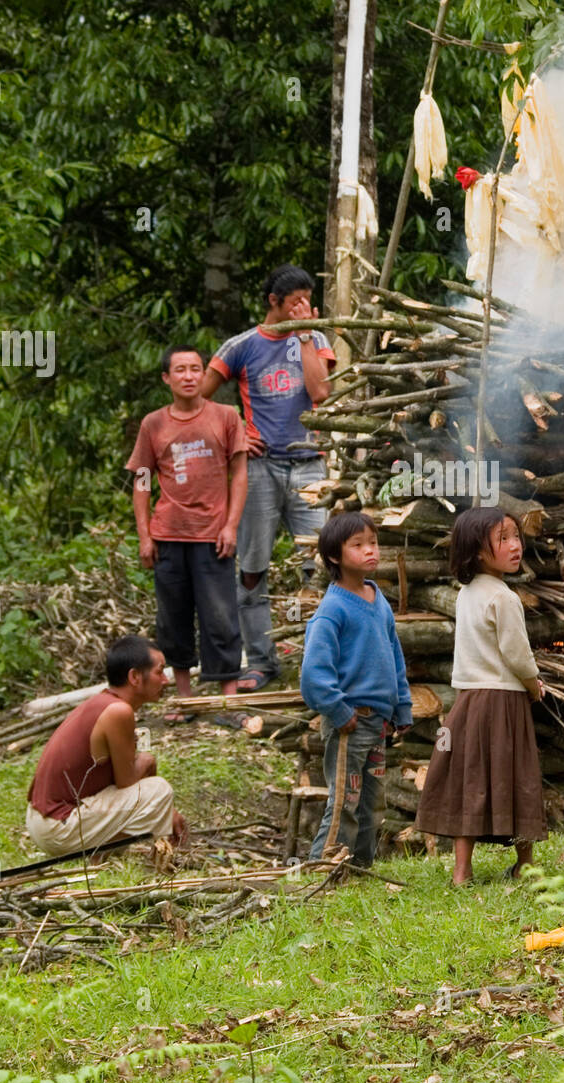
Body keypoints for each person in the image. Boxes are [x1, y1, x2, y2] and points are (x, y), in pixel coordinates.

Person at [200, 264, 336, 692]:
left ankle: (322, 661)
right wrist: (234, 433)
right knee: (252, 570)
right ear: (273, 303)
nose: (302, 306)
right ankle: (261, 662)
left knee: (321, 565)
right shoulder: (241, 346)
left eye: (307, 299)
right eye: (294, 301)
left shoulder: (316, 338)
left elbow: (320, 394)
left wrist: (306, 335)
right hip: (258, 469)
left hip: (310, 463)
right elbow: (197, 397)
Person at [416, 507, 547, 886]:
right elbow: (517, 653)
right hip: (503, 701)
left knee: (468, 779)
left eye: (516, 537)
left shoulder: (466, 595)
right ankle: (526, 865)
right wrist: (533, 682)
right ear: (476, 552)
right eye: (503, 539)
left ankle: (462, 871)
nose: (515, 546)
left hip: (468, 701)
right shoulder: (504, 598)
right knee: (518, 775)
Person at [127, 345, 248, 722]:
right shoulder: (154, 425)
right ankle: (185, 699)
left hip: (213, 536)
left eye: (196, 368)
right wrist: (145, 536)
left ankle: (227, 701)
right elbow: (142, 480)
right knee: (173, 618)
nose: (190, 376)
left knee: (221, 616)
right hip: (169, 535)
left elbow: (240, 474)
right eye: (180, 370)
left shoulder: (226, 417)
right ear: (167, 378)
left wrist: (230, 525)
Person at [299, 512, 412, 868]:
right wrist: (339, 711)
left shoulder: (377, 599)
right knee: (344, 800)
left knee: (372, 801)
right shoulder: (332, 609)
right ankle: (324, 868)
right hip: (351, 722)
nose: (370, 551)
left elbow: (394, 656)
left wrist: (403, 707)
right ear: (334, 556)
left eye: (374, 543)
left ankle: (361, 867)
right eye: (358, 545)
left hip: (378, 722)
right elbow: (314, 674)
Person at [26, 636, 185, 856]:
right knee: (159, 790)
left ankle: (105, 857)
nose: (166, 680)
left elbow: (119, 779)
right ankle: (154, 855)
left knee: (148, 773)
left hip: (44, 820)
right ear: (135, 677)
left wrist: (168, 810)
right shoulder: (118, 711)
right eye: (160, 672)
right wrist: (149, 765)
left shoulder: (103, 702)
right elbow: (126, 781)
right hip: (57, 827)